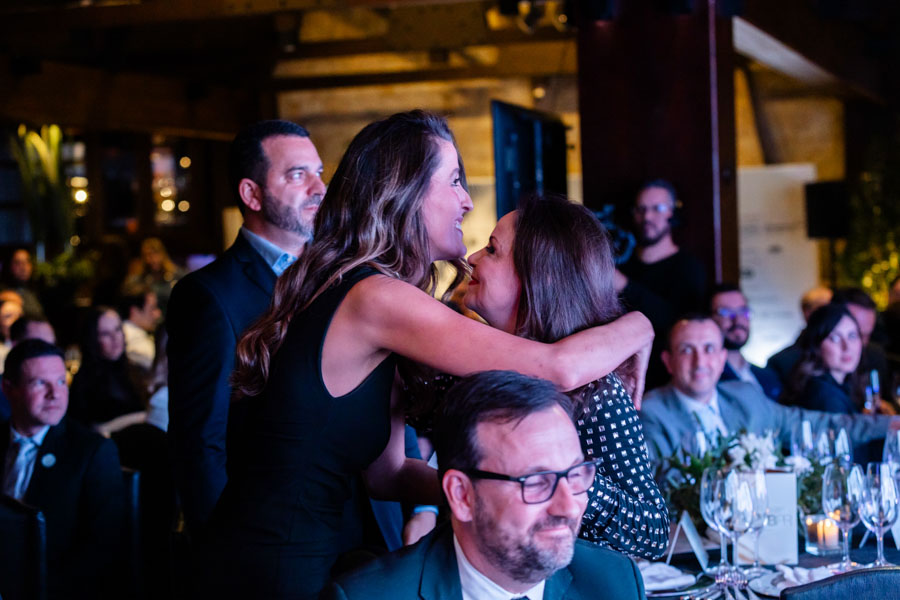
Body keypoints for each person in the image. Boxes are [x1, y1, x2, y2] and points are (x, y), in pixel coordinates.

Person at [207, 111, 653, 599]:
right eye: (455, 180)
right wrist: (641, 325)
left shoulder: (369, 294)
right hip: (277, 563)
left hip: (309, 550)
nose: (467, 200)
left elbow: (388, 475)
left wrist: (490, 494)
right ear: (405, 192)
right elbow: (559, 368)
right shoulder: (377, 298)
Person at [458, 195, 666, 558]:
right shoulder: (465, 359)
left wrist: (565, 479)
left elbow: (653, 532)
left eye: (492, 250)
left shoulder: (597, 389)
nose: (472, 258)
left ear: (539, 275)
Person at [325, 370, 646, 600]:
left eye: (575, 475)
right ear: (462, 495)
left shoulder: (615, 581)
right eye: (536, 482)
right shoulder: (366, 596)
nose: (569, 506)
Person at [166, 119, 326, 533]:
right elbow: (200, 441)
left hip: (369, 518)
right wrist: (223, 545)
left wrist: (420, 509)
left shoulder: (342, 272)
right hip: (274, 531)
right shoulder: (208, 295)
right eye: (298, 175)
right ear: (251, 193)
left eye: (318, 172)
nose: (319, 188)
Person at [639, 315, 895, 464]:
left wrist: (890, 425)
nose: (700, 362)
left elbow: (814, 425)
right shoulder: (651, 412)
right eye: (687, 350)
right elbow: (661, 489)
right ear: (668, 361)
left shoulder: (745, 396)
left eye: (709, 349)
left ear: (722, 358)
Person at [1, 339, 124, 599]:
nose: (55, 394)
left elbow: (102, 551)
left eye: (60, 381)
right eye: (39, 383)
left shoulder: (91, 452)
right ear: (9, 389)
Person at [615, 179, 707, 389]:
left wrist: (625, 286)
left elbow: (680, 324)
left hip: (669, 383)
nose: (647, 217)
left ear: (672, 213)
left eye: (657, 209)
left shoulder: (688, 267)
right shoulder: (623, 265)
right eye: (641, 209)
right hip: (624, 379)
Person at [781, 303, 868, 414]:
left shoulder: (843, 385)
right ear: (816, 346)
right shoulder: (825, 397)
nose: (847, 347)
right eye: (835, 338)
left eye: (852, 336)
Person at [69, 306, 144, 426]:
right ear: (92, 339)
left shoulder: (134, 368)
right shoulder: (84, 381)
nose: (115, 338)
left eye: (117, 329)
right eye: (105, 334)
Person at [709, 283, 781, 400]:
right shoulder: (708, 380)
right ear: (709, 319)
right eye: (726, 312)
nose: (737, 320)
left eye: (742, 311)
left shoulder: (767, 376)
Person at [767, 286, 834, 387]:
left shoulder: (847, 355)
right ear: (807, 313)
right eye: (826, 310)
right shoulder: (781, 361)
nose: (834, 317)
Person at [124, 237, 183, 315]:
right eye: (148, 255)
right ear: (143, 258)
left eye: (156, 254)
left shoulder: (177, 276)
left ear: (163, 254)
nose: (153, 259)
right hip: (149, 318)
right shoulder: (139, 279)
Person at [119, 285, 162, 373]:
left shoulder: (130, 333)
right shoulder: (133, 341)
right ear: (134, 311)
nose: (158, 314)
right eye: (152, 308)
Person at [1, 248, 44, 318]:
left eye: (27, 262)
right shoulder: (4, 290)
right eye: (18, 263)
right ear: (9, 266)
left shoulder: (36, 288)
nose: (23, 267)